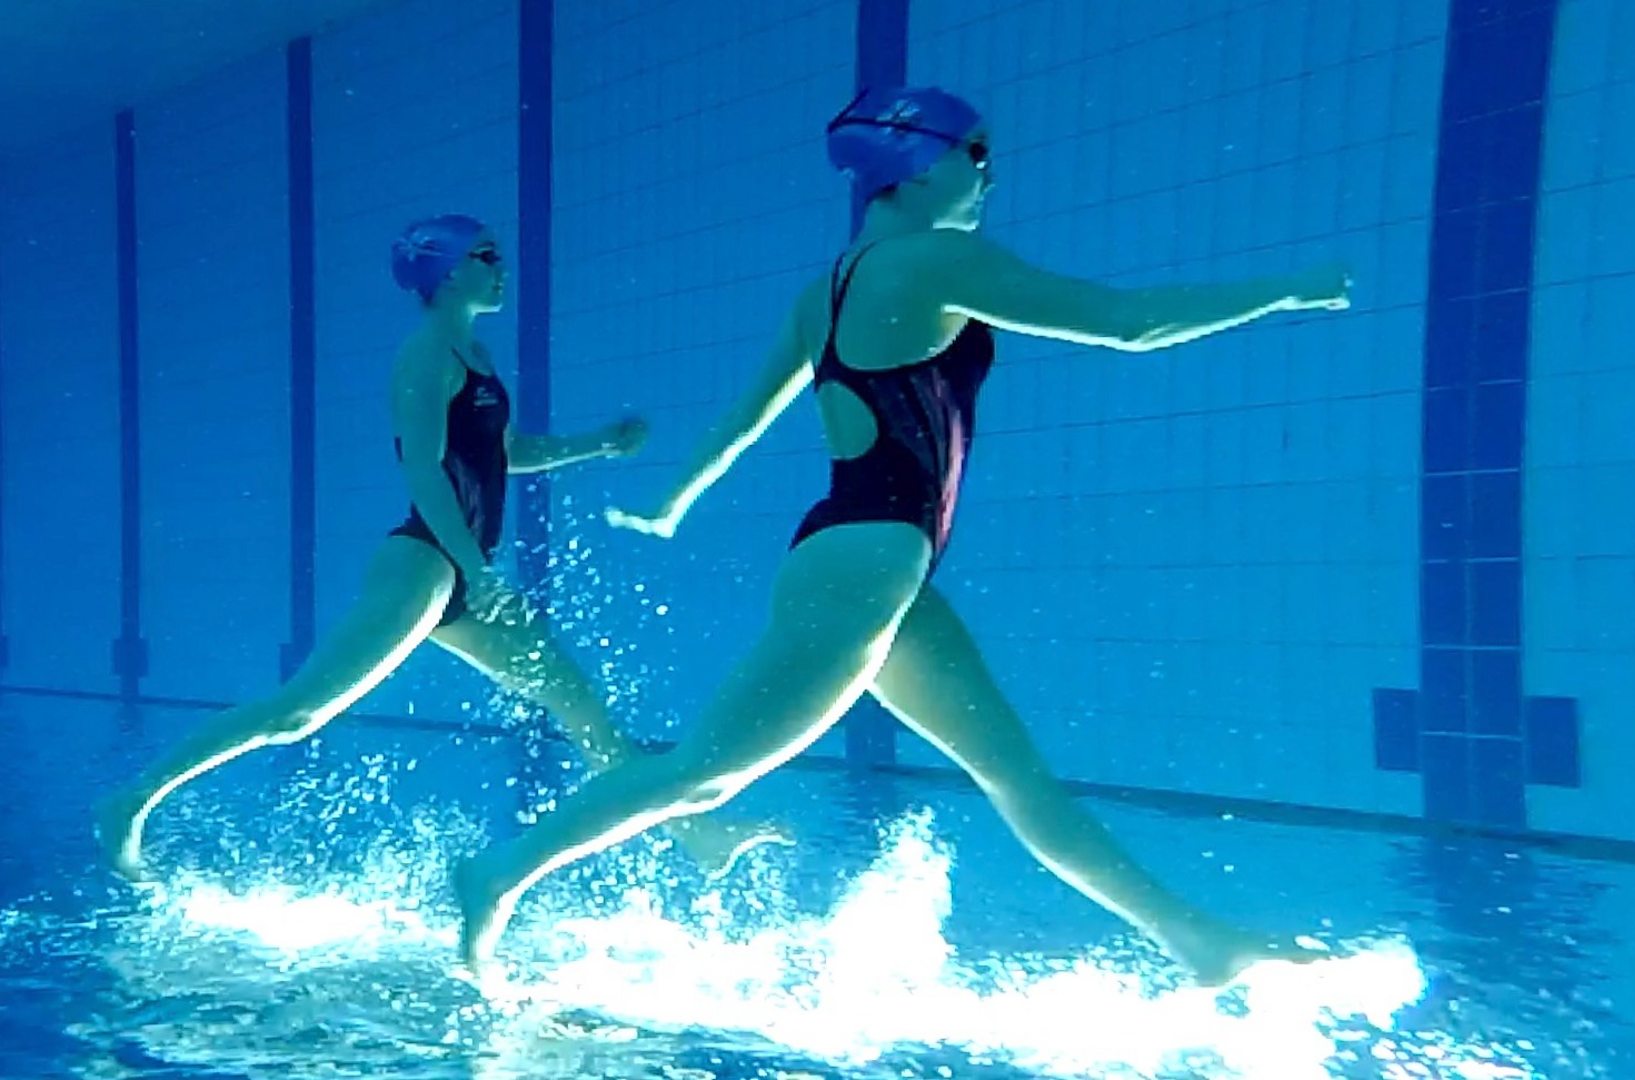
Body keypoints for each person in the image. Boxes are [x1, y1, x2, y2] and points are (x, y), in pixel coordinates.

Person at [455, 88, 1351, 987]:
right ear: (921, 161)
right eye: (979, 153)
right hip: (867, 559)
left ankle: (1196, 940)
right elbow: (1130, 325)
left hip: (874, 564)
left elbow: (741, 421)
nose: (990, 173)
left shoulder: (829, 290)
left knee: (1015, 778)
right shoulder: (931, 263)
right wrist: (1284, 289)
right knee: (703, 776)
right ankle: (499, 872)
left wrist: (673, 502)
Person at [95, 215, 775, 883]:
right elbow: (422, 468)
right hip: (425, 562)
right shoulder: (425, 354)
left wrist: (595, 443)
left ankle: (696, 833)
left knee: (580, 707)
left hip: (461, 571)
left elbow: (502, 455)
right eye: (485, 255)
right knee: (298, 713)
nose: (500, 266)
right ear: (445, 271)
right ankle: (135, 797)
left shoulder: (473, 355)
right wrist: (475, 572)